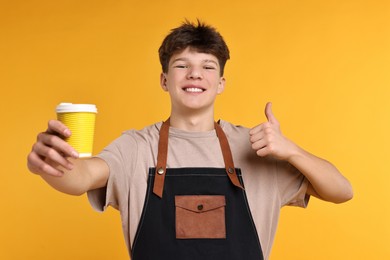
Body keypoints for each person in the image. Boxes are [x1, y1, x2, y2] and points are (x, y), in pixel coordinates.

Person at [27, 20, 353, 260]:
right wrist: (52, 163)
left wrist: (291, 150)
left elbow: (342, 191)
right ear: (164, 80)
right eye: (182, 65)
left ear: (221, 82)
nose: (195, 74)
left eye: (207, 66)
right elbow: (81, 176)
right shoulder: (136, 147)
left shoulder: (258, 147)